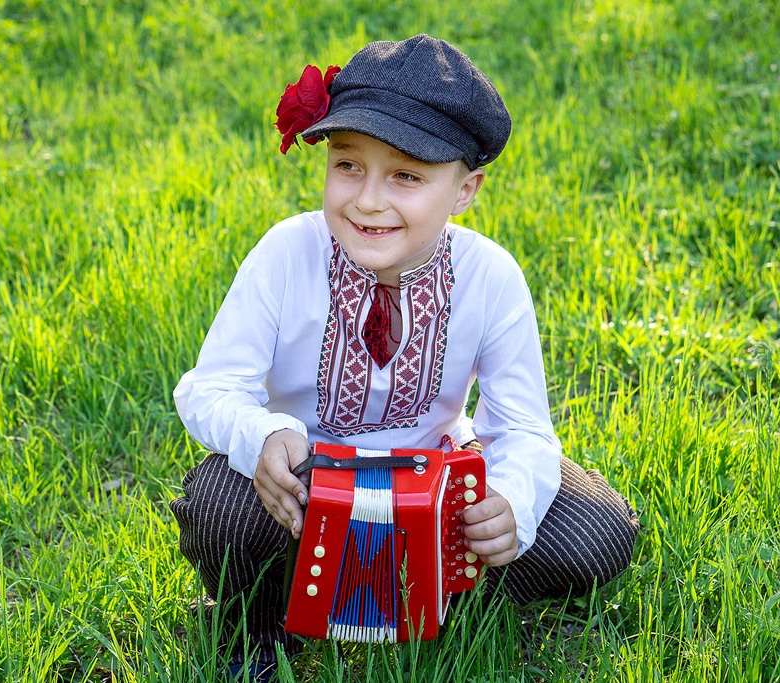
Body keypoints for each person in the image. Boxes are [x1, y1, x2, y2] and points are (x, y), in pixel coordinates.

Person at [169, 34, 639, 680]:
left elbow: (524, 428)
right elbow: (206, 389)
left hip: (435, 495)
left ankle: (448, 599)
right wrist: (264, 434)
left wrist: (510, 501)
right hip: (306, 490)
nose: (367, 199)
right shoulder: (286, 255)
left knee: (597, 528)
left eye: (407, 176)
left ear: (465, 189)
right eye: (348, 165)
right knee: (220, 499)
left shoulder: (491, 278)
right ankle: (257, 623)